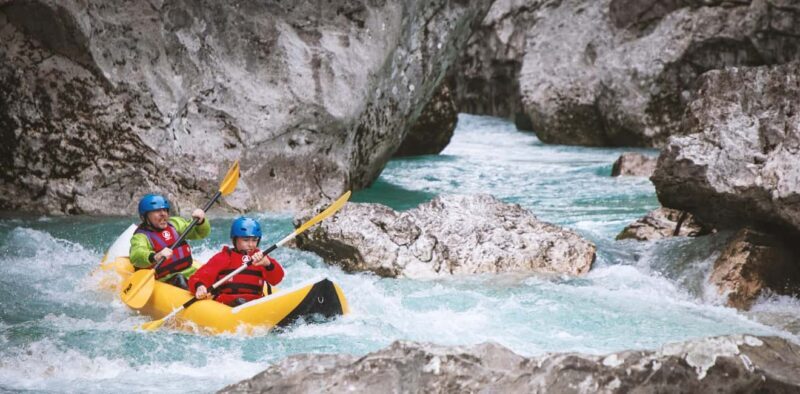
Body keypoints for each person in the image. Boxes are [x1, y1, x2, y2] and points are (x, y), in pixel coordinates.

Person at [189, 217, 284, 307]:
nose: (251, 244)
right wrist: (199, 286)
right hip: (227, 305)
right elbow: (198, 277)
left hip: (255, 304)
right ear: (234, 240)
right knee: (239, 302)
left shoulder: (260, 258)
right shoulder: (223, 257)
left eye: (255, 240)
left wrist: (269, 264)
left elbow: (277, 279)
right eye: (245, 240)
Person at [129, 193, 210, 289]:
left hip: (190, 271)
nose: (163, 214)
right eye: (157, 211)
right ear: (145, 217)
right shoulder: (141, 236)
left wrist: (201, 222)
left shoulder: (175, 224)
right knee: (180, 279)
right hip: (166, 279)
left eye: (164, 210)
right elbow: (136, 255)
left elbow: (200, 233)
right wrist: (155, 256)